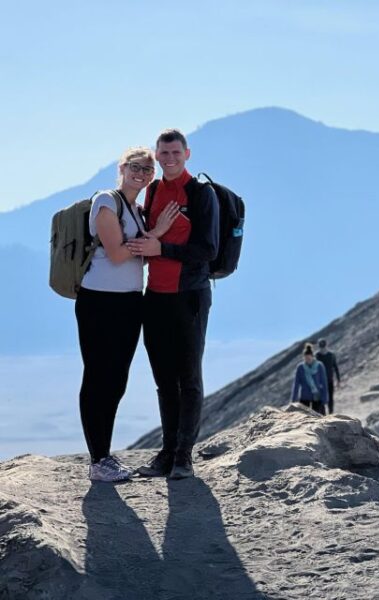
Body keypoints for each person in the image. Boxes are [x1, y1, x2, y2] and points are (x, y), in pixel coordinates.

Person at [76, 147, 178, 482]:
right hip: (99, 302)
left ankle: (104, 457)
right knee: (97, 377)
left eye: (148, 170)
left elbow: (139, 255)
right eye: (136, 167)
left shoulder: (136, 210)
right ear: (122, 167)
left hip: (129, 303)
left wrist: (149, 241)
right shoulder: (106, 201)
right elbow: (119, 255)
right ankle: (98, 460)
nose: (142, 174)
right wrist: (156, 236)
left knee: (116, 379)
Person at [128, 129, 220, 480]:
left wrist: (161, 249)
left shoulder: (200, 194)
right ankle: (167, 454)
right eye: (163, 153)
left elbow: (207, 251)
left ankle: (184, 457)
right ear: (157, 154)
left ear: (187, 153)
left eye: (175, 153)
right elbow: (143, 241)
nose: (169, 158)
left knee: (189, 378)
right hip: (155, 298)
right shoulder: (152, 192)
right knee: (164, 379)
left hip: (190, 297)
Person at [292, 344, 329, 415]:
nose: (307, 360)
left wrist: (325, 398)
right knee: (303, 417)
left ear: (312, 357)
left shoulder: (319, 366)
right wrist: (293, 399)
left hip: (317, 396)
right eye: (306, 359)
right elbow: (296, 384)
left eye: (309, 358)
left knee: (318, 417)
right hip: (304, 397)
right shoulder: (300, 367)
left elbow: (324, 383)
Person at [315, 339, 341, 415]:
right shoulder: (317, 356)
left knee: (330, 399)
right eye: (321, 347)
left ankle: (331, 414)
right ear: (319, 347)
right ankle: (324, 416)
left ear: (326, 346)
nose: (322, 349)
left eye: (323, 347)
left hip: (330, 380)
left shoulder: (331, 355)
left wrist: (338, 380)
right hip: (320, 383)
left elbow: (336, 367)